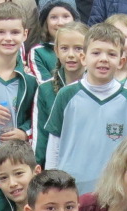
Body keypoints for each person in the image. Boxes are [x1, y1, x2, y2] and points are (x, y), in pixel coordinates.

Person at [43, 23, 127, 192]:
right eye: (96, 53)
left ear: (121, 61)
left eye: (111, 54)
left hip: (113, 190)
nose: (103, 58)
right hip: (70, 188)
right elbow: (54, 141)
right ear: (84, 58)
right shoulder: (66, 95)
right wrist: (51, 181)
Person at [0, 2, 36, 144]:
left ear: (25, 34)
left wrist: (24, 132)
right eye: (1, 32)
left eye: (15, 32)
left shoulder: (30, 80)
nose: (8, 38)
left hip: (17, 158)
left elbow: (36, 116)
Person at [31, 21, 87, 165]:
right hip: (57, 166)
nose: (71, 55)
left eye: (78, 48)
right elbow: (41, 137)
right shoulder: (45, 89)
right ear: (56, 50)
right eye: (64, 48)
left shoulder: (97, 87)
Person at [27, 0, 78, 83]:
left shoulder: (86, 48)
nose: (60, 23)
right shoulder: (39, 52)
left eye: (66, 16)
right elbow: (46, 87)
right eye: (54, 17)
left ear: (74, 19)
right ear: (46, 22)